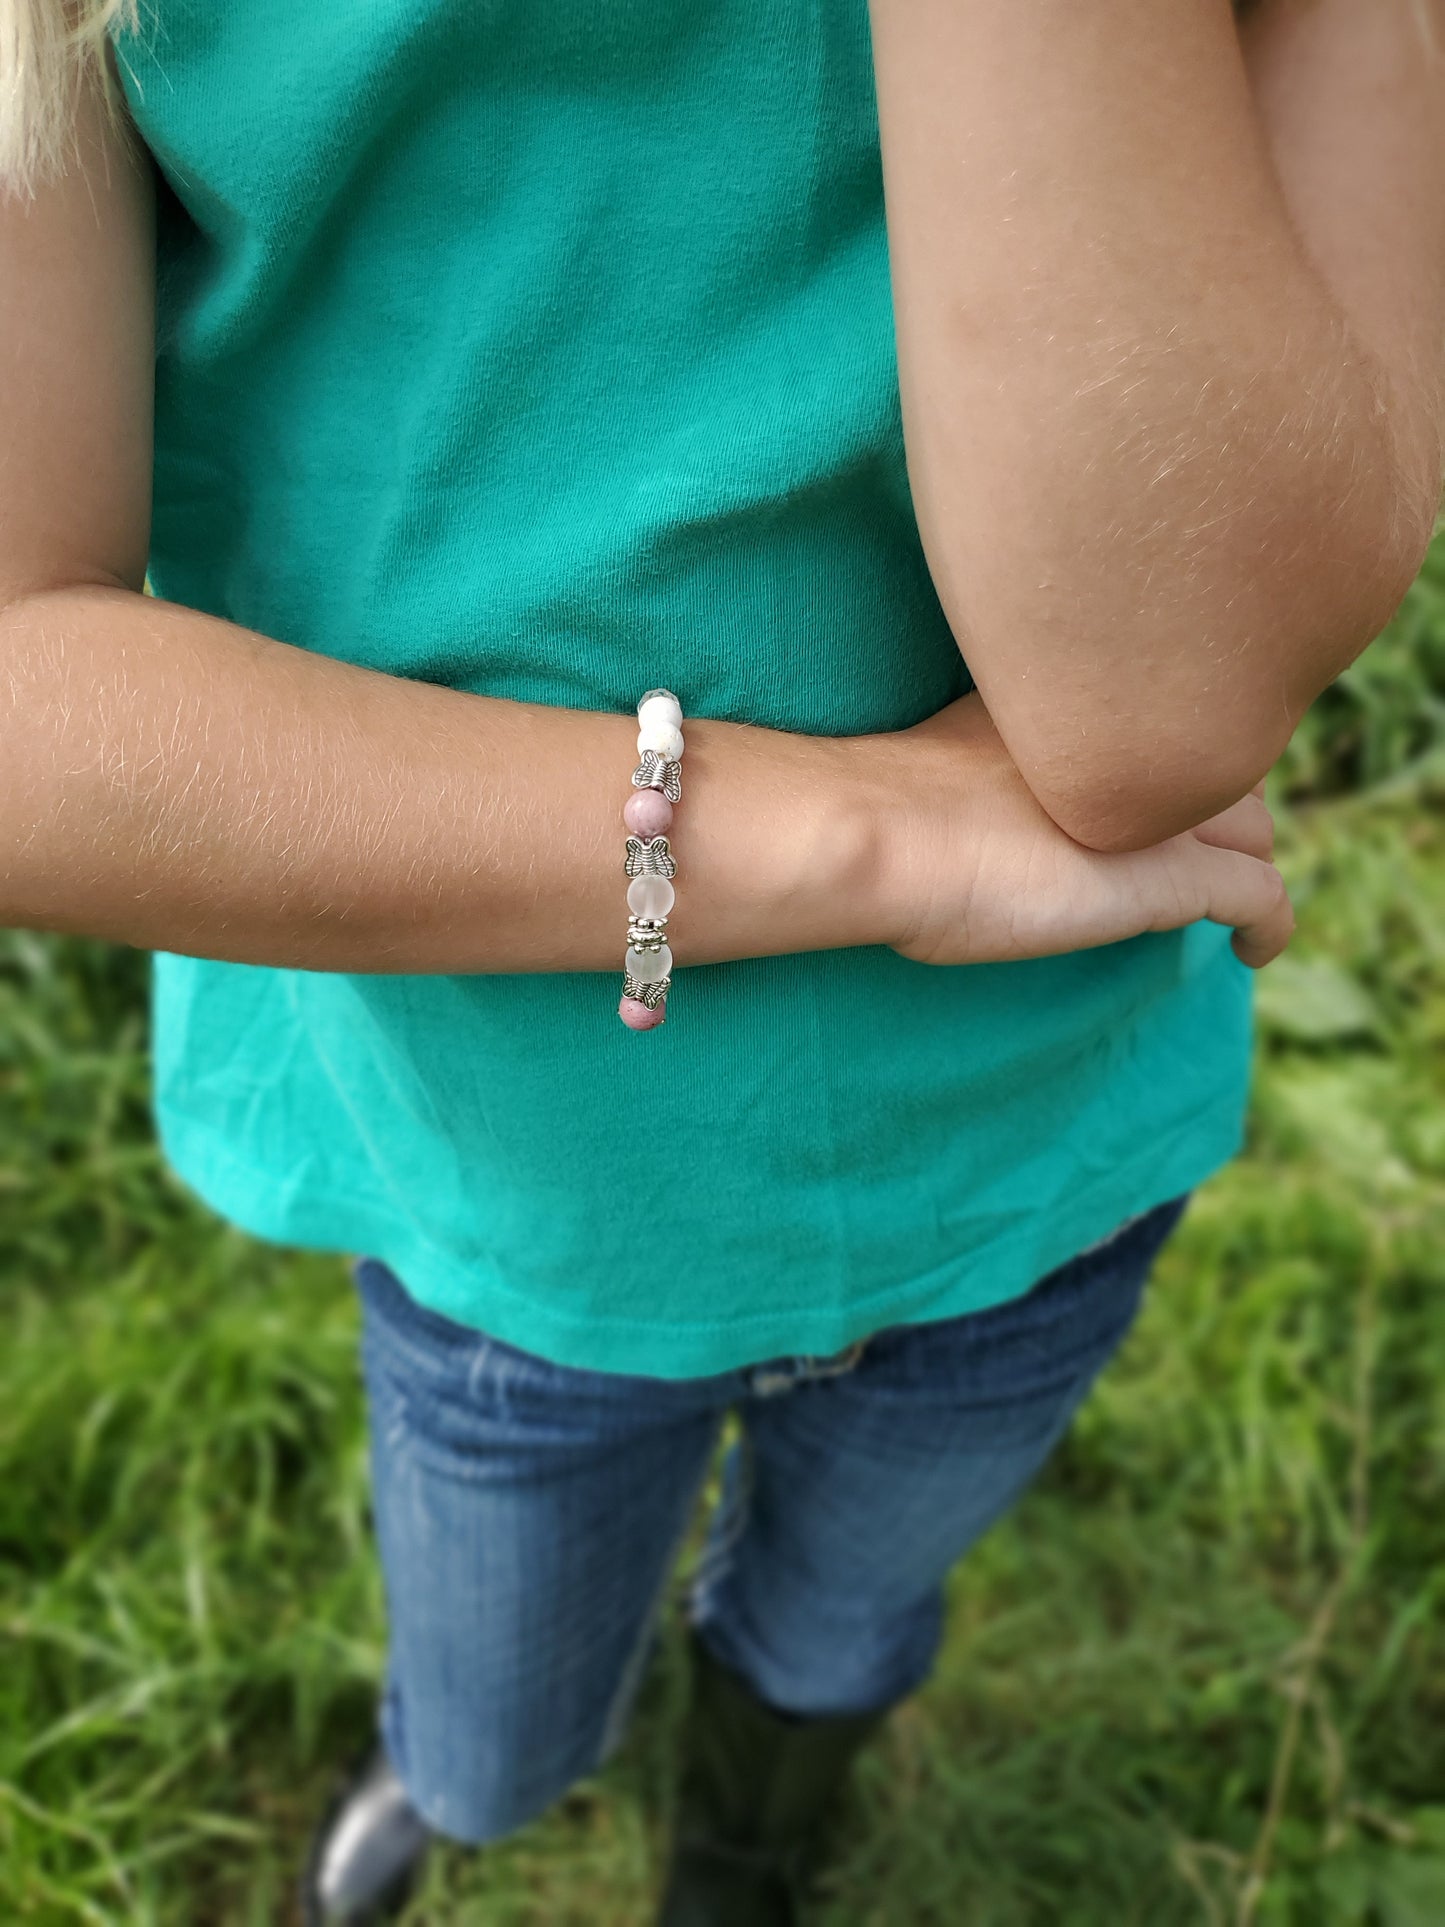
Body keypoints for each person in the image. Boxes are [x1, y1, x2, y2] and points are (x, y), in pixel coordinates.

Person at [1, 1, 1440, 1921]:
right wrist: (865, 834)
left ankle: (752, 1829)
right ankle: (472, 1777)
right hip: (522, 1174)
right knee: (501, 1667)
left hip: (1034, 1133)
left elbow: (1169, 682)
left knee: (845, 1614)